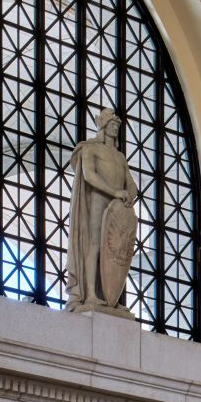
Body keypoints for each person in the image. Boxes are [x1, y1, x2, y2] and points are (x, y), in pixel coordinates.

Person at [65, 108, 136, 315]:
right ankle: (90, 295)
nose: (115, 128)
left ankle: (111, 297)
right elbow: (89, 175)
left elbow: (131, 184)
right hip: (98, 199)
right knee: (95, 244)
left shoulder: (120, 157)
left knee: (115, 251)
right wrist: (115, 191)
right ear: (103, 126)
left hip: (117, 206)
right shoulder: (90, 149)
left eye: (117, 126)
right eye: (112, 124)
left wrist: (130, 194)